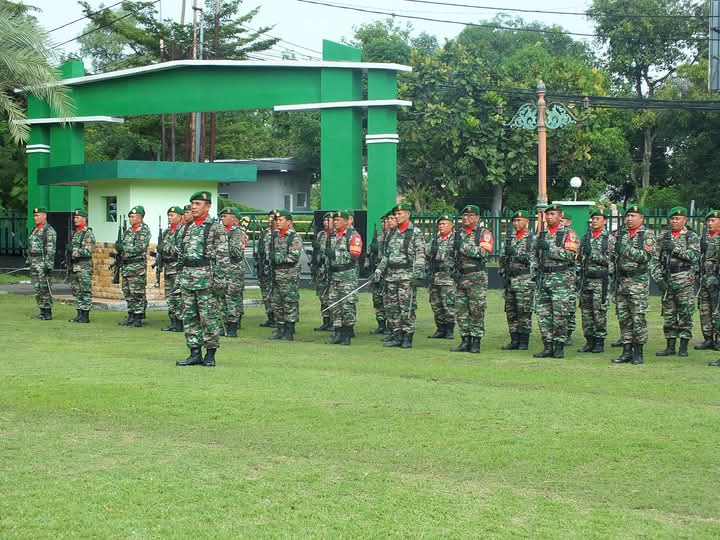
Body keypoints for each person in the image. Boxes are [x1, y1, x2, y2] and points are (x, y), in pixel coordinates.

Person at [176, 191, 229, 367]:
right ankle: (194, 352)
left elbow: (223, 256)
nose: (193, 207)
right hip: (188, 278)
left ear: (207, 206)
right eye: (192, 203)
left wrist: (220, 280)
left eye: (198, 203)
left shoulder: (215, 227)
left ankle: (210, 354)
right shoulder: (186, 227)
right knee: (189, 317)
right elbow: (181, 253)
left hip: (207, 277)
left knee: (209, 318)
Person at [373, 202, 426, 349]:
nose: (397, 216)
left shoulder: (415, 232)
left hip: (406, 276)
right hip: (391, 275)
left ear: (408, 214)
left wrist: (417, 275)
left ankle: (407, 336)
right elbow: (387, 255)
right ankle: (397, 335)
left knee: (406, 307)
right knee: (392, 307)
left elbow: (420, 255)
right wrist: (379, 270)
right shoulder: (393, 232)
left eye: (400, 214)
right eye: (396, 214)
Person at [610, 204, 657, 365]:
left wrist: (624, 249)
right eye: (628, 216)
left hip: (637, 282)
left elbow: (646, 256)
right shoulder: (622, 235)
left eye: (633, 216)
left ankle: (638, 351)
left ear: (641, 218)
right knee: (624, 318)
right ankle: (626, 350)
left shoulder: (647, 235)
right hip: (622, 281)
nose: (629, 219)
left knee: (638, 317)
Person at [651, 206, 700, 358]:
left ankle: (683, 346)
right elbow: (654, 260)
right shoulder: (662, 237)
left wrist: (676, 249)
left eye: (677, 218)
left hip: (684, 280)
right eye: (672, 219)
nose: (674, 221)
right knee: (669, 314)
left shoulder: (691, 236)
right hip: (667, 279)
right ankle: (670, 346)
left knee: (685, 313)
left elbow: (694, 256)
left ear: (685, 220)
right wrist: (658, 279)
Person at [533, 204, 579, 359]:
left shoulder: (568, 233)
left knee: (559, 314)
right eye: (547, 214)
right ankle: (547, 345)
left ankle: (558, 346)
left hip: (561, 280)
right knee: (543, 314)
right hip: (543, 279)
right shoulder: (541, 234)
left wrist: (550, 250)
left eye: (552, 214)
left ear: (560, 216)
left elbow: (571, 256)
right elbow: (534, 256)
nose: (549, 217)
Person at [451, 205, 494, 353]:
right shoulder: (457, 233)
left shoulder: (484, 234)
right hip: (460, 276)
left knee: (476, 310)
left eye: (470, 216)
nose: (466, 218)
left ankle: (476, 341)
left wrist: (462, 246)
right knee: (461, 310)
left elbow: (483, 253)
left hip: (476, 277)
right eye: (464, 216)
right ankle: (465, 340)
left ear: (477, 218)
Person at [500, 210, 536, 350]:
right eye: (514, 221)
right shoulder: (510, 238)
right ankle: (514, 339)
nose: (516, 223)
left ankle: (524, 341)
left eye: (519, 221)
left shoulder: (532, 238)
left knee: (524, 311)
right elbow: (503, 258)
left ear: (527, 222)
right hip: (511, 279)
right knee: (511, 310)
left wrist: (517, 255)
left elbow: (534, 259)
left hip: (525, 279)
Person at [326, 210, 363, 345]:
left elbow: (354, 255)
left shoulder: (354, 236)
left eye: (339, 219)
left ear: (348, 221)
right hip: (334, 275)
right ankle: (337, 332)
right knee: (334, 304)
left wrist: (334, 254)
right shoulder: (333, 236)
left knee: (347, 305)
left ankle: (347, 334)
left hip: (347, 276)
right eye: (334, 220)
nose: (336, 222)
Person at [577, 207, 611, 353]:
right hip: (586, 280)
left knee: (599, 312)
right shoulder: (585, 238)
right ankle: (589, 340)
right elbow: (578, 258)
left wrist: (594, 256)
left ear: (605, 221)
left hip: (600, 281)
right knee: (586, 313)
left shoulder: (609, 239)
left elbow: (612, 261)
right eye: (593, 219)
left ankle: (599, 341)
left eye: (598, 218)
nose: (594, 221)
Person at [268, 209, 303, 341]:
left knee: (289, 302)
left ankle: (289, 330)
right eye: (277, 220)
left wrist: (276, 257)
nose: (278, 222)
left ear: (289, 222)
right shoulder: (276, 236)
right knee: (277, 302)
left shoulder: (294, 237)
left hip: (289, 274)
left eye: (281, 220)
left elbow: (293, 256)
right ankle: (280, 329)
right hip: (276, 274)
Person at [116, 206, 151, 328]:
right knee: (127, 292)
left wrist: (124, 249)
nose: (131, 219)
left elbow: (139, 248)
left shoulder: (144, 230)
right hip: (126, 267)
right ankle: (131, 315)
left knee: (137, 293)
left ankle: (138, 317)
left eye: (133, 217)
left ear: (140, 217)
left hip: (137, 267)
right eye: (130, 217)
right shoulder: (128, 231)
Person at [219, 207, 248, 337]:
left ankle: (232, 327)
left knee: (232, 299)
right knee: (221, 299)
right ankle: (222, 326)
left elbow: (237, 252)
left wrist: (222, 244)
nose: (222, 218)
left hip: (233, 271)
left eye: (225, 216)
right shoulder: (220, 232)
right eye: (222, 216)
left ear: (234, 218)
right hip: (221, 270)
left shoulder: (238, 233)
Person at [427, 213, 456, 340]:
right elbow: (426, 252)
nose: (441, 226)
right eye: (439, 224)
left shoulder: (455, 239)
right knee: (436, 304)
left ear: (451, 225)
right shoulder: (435, 239)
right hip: (435, 275)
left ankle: (449, 330)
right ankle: (440, 328)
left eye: (444, 224)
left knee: (447, 304)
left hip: (448, 276)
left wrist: (438, 253)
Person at [27, 207, 57, 320]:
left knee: (45, 288)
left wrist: (48, 265)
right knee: (37, 288)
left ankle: (48, 312)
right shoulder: (34, 230)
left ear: (44, 216)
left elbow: (51, 250)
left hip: (43, 263)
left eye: (38, 215)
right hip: (34, 262)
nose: (36, 217)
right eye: (34, 216)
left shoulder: (49, 231)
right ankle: (42, 311)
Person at [67, 208, 95, 323]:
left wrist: (73, 250)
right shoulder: (75, 233)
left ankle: (85, 315)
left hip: (84, 266)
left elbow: (88, 251)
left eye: (77, 217)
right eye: (75, 217)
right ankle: (79, 313)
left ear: (84, 219)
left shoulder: (88, 233)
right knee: (76, 290)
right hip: (75, 265)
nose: (75, 219)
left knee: (85, 290)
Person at [698, 210, 720, 359]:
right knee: (704, 309)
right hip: (705, 279)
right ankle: (708, 338)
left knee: (717, 311)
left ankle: (718, 340)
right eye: (708, 221)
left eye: (713, 221)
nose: (710, 223)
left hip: (716, 280)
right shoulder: (704, 238)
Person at [159, 206, 184, 332]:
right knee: (169, 296)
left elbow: (179, 249)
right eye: (168, 215)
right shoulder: (166, 232)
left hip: (176, 267)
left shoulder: (182, 231)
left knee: (177, 296)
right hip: (167, 267)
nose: (170, 217)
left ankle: (180, 322)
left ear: (180, 217)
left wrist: (165, 248)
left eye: (172, 215)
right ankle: (173, 321)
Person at [313, 211, 333, 331]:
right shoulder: (321, 234)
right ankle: (326, 320)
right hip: (321, 270)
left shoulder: (336, 235)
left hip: (331, 270)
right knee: (322, 296)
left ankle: (334, 321)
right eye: (325, 221)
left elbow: (331, 252)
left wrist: (320, 247)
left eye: (328, 220)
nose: (326, 223)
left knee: (332, 296)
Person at [257, 210, 277, 328]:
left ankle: (277, 318)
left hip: (275, 268)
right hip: (264, 266)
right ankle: (270, 316)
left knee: (274, 293)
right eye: (269, 217)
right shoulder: (264, 233)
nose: (270, 220)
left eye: (273, 218)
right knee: (265, 293)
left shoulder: (280, 233)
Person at [367, 213, 387, 335]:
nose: (384, 224)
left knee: (388, 300)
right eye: (383, 222)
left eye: (386, 221)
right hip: (376, 270)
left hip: (387, 272)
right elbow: (369, 253)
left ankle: (391, 326)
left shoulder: (392, 237)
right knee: (377, 300)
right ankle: (381, 324)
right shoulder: (378, 236)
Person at [561, 214, 579, 344]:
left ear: (568, 222)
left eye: (562, 220)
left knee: (570, 305)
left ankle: (568, 332)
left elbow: (571, 255)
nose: (560, 222)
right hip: (558, 276)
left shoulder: (570, 234)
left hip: (568, 275)